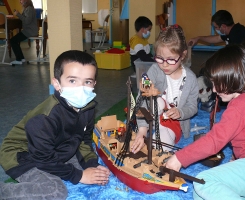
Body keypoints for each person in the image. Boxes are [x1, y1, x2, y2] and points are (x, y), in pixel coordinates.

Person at [165, 45, 245, 199]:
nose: (214, 90)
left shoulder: (240, 105)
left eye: (217, 83)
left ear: (232, 78)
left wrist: (179, 158)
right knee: (200, 194)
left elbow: (214, 141)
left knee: (203, 181)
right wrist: (238, 159)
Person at [0, 50, 110, 199]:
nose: (81, 88)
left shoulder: (88, 107)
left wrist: (91, 164)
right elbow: (42, 158)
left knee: (92, 171)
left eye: (87, 82)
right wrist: (79, 175)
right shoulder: (45, 118)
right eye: (72, 81)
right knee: (55, 191)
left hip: (56, 148)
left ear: (94, 84)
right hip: (22, 154)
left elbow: (84, 141)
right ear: (56, 83)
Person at [131, 24, 199, 153]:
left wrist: (180, 112)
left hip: (173, 121)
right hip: (153, 113)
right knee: (157, 101)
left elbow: (192, 106)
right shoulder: (154, 70)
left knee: (161, 147)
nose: (165, 65)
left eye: (171, 59)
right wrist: (142, 130)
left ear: (183, 55)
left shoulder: (191, 79)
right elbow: (142, 97)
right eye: (160, 59)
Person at [10, 0, 38, 65]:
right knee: (14, 40)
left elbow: (27, 21)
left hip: (29, 31)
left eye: (21, 0)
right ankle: (22, 59)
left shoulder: (29, 9)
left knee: (12, 40)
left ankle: (18, 59)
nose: (20, 2)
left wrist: (18, 14)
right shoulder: (28, 8)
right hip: (28, 30)